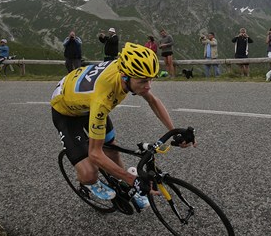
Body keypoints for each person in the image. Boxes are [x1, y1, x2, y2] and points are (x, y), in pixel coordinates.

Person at [51, 42, 195, 210]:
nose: (148, 86)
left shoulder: (128, 69)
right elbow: (95, 153)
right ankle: (89, 184)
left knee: (112, 148)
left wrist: (174, 132)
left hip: (86, 98)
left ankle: (125, 186)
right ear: (125, 77)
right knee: (89, 173)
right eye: (142, 81)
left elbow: (153, 101)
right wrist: (133, 180)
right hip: (66, 110)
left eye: (150, 80)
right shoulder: (103, 99)